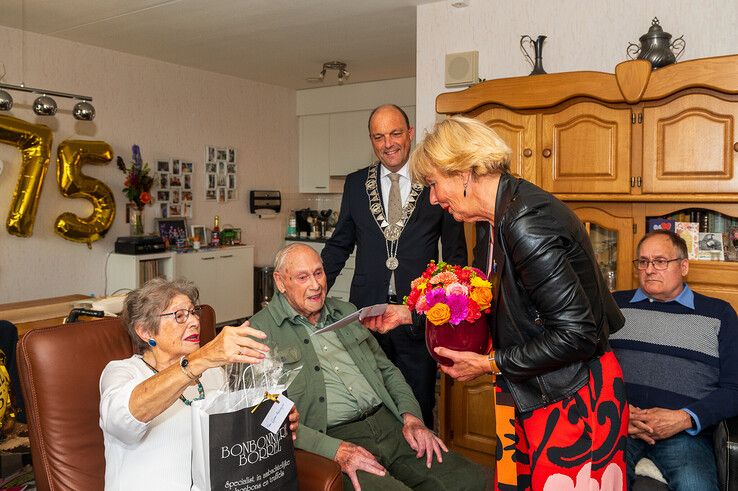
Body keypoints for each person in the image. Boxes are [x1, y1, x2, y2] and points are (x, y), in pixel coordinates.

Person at [362, 116, 628, 490]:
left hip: (571, 395)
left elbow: (577, 335)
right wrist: (411, 315)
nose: (434, 198)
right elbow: (492, 307)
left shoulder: (526, 223)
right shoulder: (494, 220)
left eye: (435, 185)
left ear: (464, 172)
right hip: (534, 386)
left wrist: (490, 363)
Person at [249, 243, 489, 491]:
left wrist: (412, 417)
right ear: (280, 282)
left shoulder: (348, 312)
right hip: (335, 436)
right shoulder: (259, 332)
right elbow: (266, 414)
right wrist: (333, 450)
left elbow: (387, 371)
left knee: (468, 479)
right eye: (302, 277)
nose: (316, 285)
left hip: (389, 423)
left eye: (318, 273)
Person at [321, 104, 467, 427]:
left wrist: (447, 313)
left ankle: (421, 472)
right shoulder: (356, 184)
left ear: (410, 133)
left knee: (418, 406)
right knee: (369, 406)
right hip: (366, 322)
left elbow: (456, 258)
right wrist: (313, 290)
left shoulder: (436, 183)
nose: (388, 143)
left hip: (416, 320)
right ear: (371, 141)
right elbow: (339, 246)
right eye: (379, 136)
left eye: (396, 133)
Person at [99, 278, 299, 489]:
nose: (194, 321)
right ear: (145, 331)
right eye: (179, 316)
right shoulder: (122, 372)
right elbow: (122, 421)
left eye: (193, 312)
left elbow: (230, 438)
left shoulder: (213, 373)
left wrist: (274, 423)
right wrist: (202, 359)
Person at [610, 230, 738, 490]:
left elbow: (734, 389)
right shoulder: (615, 306)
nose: (649, 269)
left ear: (684, 266)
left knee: (696, 486)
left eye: (660, 261)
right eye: (643, 262)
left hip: (684, 433)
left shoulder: (719, 314)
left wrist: (684, 418)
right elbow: (591, 371)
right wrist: (619, 413)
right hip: (623, 426)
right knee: (592, 481)